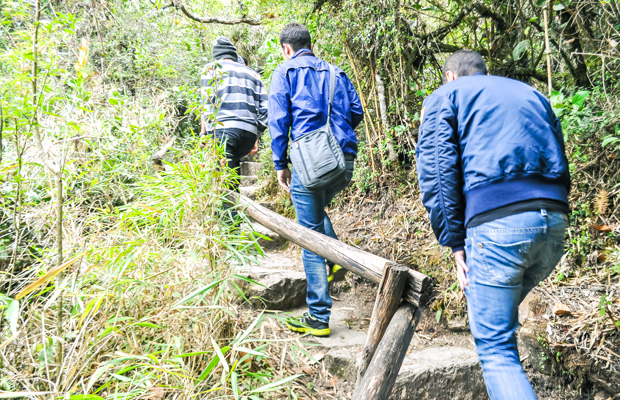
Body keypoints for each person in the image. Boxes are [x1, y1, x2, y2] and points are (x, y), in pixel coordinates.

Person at [416, 50, 570, 399]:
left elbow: (438, 174)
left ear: (451, 76)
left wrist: (455, 243)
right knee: (501, 327)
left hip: (499, 229)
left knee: (496, 349)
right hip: (554, 223)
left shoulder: (446, 96)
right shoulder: (531, 93)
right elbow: (560, 154)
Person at [268, 23, 364, 337]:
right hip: (343, 161)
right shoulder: (337, 73)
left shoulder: (285, 72)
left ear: (286, 48)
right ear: (311, 44)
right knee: (316, 212)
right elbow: (356, 112)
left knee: (308, 234)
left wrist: (280, 163)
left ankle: (319, 317)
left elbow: (279, 120)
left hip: (310, 162)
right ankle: (335, 260)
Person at [201, 36, 268, 194]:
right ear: (233, 54)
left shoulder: (210, 69)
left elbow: (206, 105)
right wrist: (256, 134)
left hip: (223, 132)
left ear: (216, 55)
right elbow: (266, 109)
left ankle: (229, 217)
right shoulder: (253, 73)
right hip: (248, 135)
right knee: (231, 171)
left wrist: (204, 133)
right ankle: (235, 214)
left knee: (223, 183)